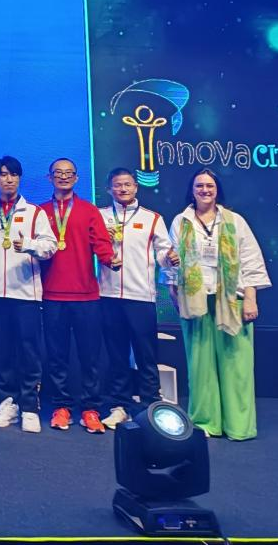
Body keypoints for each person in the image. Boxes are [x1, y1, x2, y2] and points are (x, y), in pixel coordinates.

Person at [168, 168, 271, 441]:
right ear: (192, 190)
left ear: (217, 190)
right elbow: (171, 261)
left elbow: (251, 261)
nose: (205, 190)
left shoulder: (235, 221)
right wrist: (174, 295)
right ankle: (206, 423)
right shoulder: (181, 221)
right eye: (199, 186)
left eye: (210, 186)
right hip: (195, 299)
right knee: (200, 367)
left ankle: (239, 426)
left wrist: (251, 298)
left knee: (236, 365)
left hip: (232, 299)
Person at [0, 156, 55, 434]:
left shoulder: (34, 213)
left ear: (19, 178)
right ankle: (7, 402)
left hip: (26, 293)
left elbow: (50, 247)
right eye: (2, 175)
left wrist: (29, 245)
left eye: (13, 174)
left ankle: (30, 406)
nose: (8, 179)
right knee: (3, 351)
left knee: (29, 350)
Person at [39, 157, 119, 433]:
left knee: (90, 357)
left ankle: (90, 409)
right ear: (49, 178)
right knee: (56, 356)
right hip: (52, 295)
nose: (63, 177)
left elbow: (101, 243)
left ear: (76, 178)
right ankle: (61, 407)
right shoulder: (40, 212)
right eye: (58, 173)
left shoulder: (89, 210)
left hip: (86, 296)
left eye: (69, 173)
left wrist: (109, 259)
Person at [97, 167, 179, 429]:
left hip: (141, 296)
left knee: (146, 354)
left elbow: (164, 252)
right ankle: (119, 405)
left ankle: (149, 406)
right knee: (116, 354)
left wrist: (170, 259)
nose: (122, 189)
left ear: (136, 187)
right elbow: (89, 248)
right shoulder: (100, 216)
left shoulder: (152, 218)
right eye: (117, 185)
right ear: (109, 189)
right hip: (108, 295)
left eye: (127, 184)